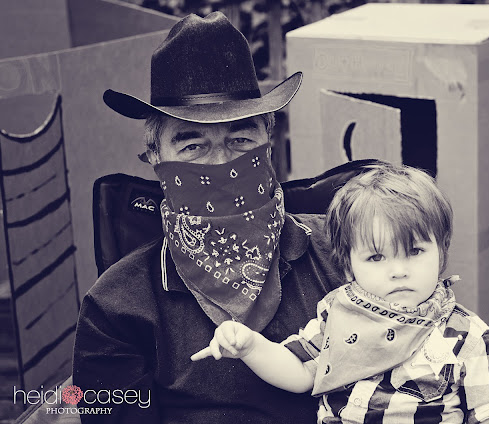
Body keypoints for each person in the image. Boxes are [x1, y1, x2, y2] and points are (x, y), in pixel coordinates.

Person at [72, 12, 343, 424]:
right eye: (192, 146)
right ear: (155, 158)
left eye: (241, 139)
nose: (221, 164)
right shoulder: (115, 307)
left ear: (269, 144)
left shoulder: (345, 253)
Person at [192, 164, 489, 424]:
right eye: (376, 257)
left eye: (414, 251)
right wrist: (252, 346)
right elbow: (301, 373)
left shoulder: (467, 337)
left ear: (442, 253)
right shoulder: (337, 314)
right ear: (349, 267)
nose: (398, 270)